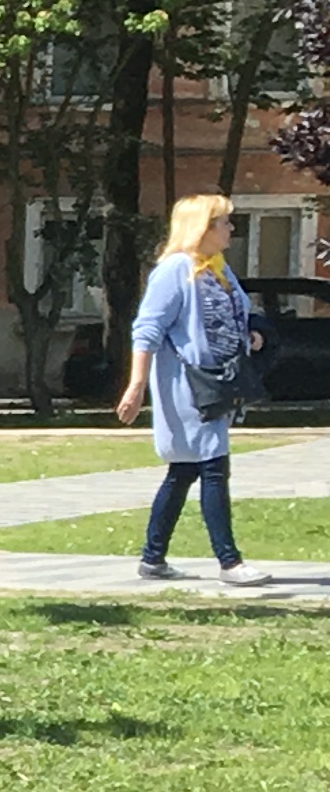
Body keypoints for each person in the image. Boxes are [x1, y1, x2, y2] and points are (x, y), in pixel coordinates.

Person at [120, 194, 261, 586]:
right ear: (203, 227)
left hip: (219, 381)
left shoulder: (218, 268)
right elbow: (147, 329)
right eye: (224, 222)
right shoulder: (175, 270)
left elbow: (237, 314)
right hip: (187, 387)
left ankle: (153, 559)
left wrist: (251, 335)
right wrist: (135, 385)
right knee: (214, 466)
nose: (231, 229)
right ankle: (230, 563)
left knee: (184, 469)